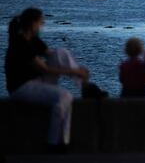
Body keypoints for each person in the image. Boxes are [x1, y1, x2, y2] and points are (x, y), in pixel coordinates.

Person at [4, 8, 89, 151]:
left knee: (60, 52)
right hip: (21, 88)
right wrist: (73, 71)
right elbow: (45, 69)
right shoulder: (21, 44)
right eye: (40, 22)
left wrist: (77, 68)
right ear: (32, 23)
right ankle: (54, 142)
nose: (42, 26)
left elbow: (52, 55)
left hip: (36, 82)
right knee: (65, 97)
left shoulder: (33, 40)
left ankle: (63, 141)